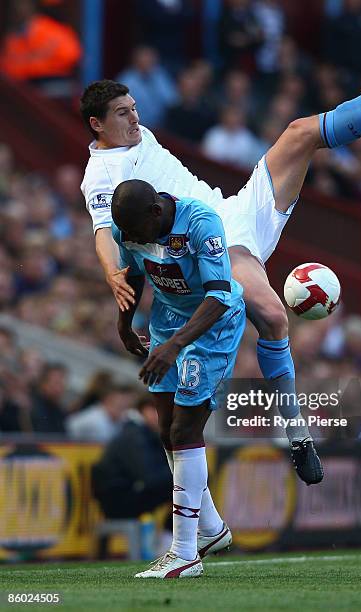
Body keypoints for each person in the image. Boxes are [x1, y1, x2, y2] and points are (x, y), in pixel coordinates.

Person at [80, 24, 361, 485]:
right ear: (97, 124)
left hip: (233, 210)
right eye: (123, 113)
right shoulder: (100, 176)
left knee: (300, 131)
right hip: (208, 240)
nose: (135, 118)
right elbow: (104, 231)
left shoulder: (135, 136)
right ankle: (298, 434)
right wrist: (111, 274)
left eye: (134, 108)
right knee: (272, 315)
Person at [111, 179, 246, 578]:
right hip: (167, 321)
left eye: (137, 231)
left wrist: (173, 348)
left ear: (157, 211)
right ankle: (211, 529)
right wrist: (123, 323)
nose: (131, 238)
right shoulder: (129, 227)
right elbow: (134, 274)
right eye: (127, 234)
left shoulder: (202, 223)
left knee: (186, 429)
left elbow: (220, 295)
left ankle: (184, 552)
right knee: (167, 431)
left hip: (212, 325)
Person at [91, 394, 172, 520]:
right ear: (145, 410)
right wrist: (179, 474)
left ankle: (172, 534)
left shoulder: (145, 433)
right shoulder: (134, 436)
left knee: (185, 483)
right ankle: (171, 535)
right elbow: (149, 476)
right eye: (159, 411)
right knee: (183, 485)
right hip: (117, 500)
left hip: (127, 492)